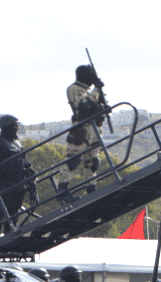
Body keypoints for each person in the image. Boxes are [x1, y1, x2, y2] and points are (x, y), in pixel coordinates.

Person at [59, 64, 106, 203]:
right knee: (73, 158)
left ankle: (92, 189)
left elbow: (97, 106)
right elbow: (84, 104)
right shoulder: (75, 89)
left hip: (94, 129)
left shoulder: (88, 90)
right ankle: (62, 190)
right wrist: (96, 89)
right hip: (82, 129)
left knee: (93, 161)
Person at [0, 115, 36, 239]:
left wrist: (31, 182)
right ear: (5, 127)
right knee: (0, 212)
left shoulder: (18, 144)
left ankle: (9, 236)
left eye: (17, 126)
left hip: (19, 183)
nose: (16, 129)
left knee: (14, 212)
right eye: (14, 126)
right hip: (4, 183)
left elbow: (25, 164)